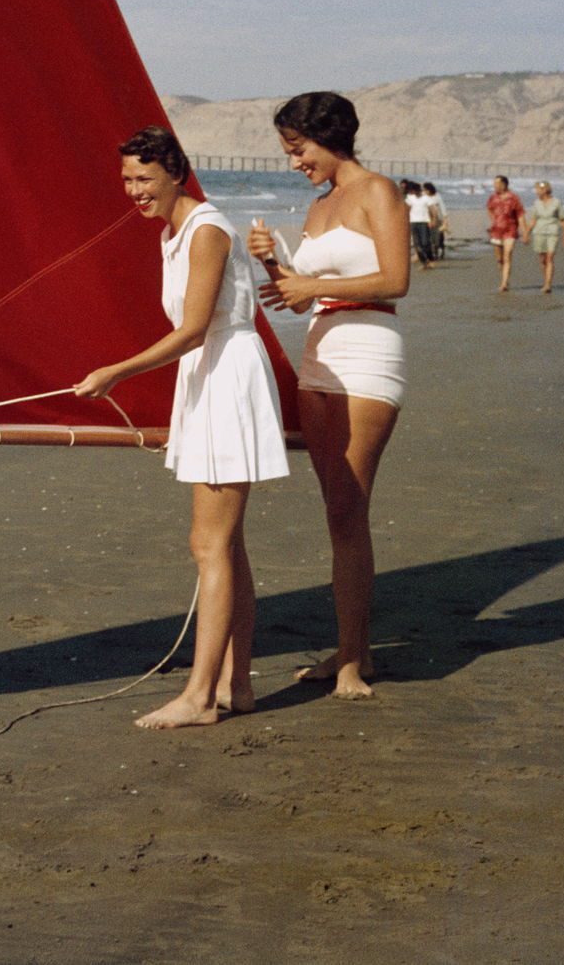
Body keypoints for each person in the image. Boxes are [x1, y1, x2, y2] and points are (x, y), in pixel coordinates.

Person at [71, 127, 287, 727]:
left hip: (226, 373)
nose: (134, 192)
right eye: (126, 181)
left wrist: (115, 371)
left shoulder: (207, 229)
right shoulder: (173, 232)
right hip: (206, 375)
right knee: (227, 543)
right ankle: (235, 684)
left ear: (176, 173)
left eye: (144, 179)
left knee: (209, 543)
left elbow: (194, 329)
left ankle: (198, 697)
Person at [246, 92, 408, 701]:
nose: (294, 162)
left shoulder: (378, 191)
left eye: (298, 149)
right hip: (320, 353)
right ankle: (351, 651)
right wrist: (272, 266)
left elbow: (397, 279)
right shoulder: (317, 207)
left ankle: (350, 661)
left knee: (349, 506)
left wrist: (308, 281)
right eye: (289, 151)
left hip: (369, 351)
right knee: (335, 509)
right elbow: (301, 294)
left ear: (330, 137)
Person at [486, 176, 527, 293]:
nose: (494, 186)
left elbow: (520, 215)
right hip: (496, 231)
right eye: (493, 184)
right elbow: (489, 209)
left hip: (510, 230)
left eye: (496, 184)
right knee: (499, 259)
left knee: (507, 256)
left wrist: (525, 232)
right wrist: (493, 221)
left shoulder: (514, 198)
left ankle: (504, 283)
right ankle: (504, 278)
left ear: (504, 185)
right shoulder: (492, 198)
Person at [529, 181, 564, 293]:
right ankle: (546, 279)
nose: (537, 192)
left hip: (552, 232)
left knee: (550, 257)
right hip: (539, 232)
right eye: (536, 189)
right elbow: (533, 220)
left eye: (538, 189)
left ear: (545, 190)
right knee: (542, 259)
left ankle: (548, 284)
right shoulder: (536, 203)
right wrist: (527, 233)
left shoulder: (556, 202)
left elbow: (562, 220)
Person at [403, 180, 435, 270]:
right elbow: (407, 209)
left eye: (413, 191)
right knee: (417, 244)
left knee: (425, 243)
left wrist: (433, 220)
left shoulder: (426, 197)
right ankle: (424, 262)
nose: (412, 193)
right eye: (410, 191)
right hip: (413, 222)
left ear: (417, 190)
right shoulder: (410, 197)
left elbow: (432, 209)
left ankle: (431, 259)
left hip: (424, 222)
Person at [423, 183, 447, 262]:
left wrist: (445, 219)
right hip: (427, 219)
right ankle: (434, 253)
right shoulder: (424, 196)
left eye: (426, 190)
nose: (425, 191)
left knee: (439, 236)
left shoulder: (437, 196)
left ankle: (441, 250)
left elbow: (442, 208)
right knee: (430, 236)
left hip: (438, 219)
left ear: (430, 190)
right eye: (424, 189)